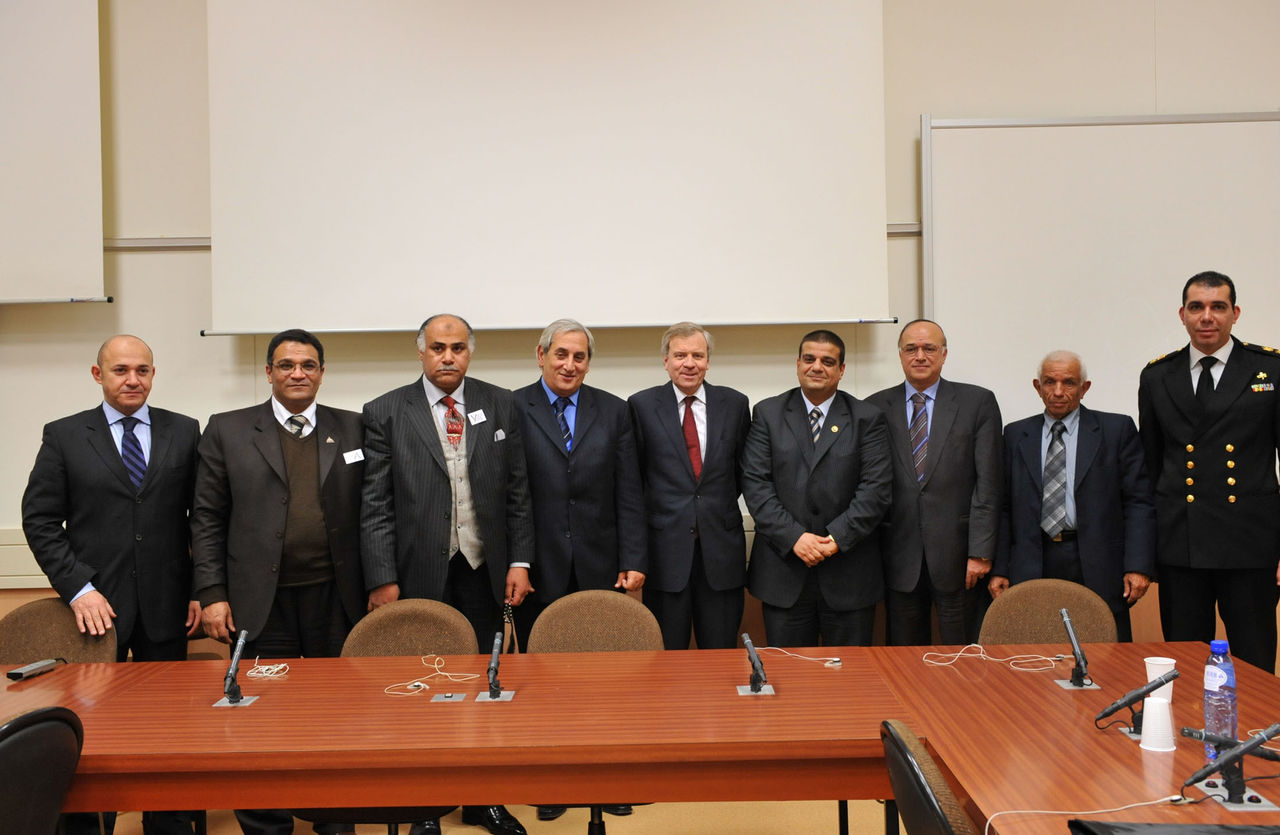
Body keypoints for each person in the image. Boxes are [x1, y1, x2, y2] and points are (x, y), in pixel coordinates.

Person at [22, 334, 201, 835]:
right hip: (95, 611)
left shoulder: (184, 431)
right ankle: (88, 823)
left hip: (167, 606)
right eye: (121, 370)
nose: (133, 380)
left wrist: (198, 588)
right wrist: (78, 588)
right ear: (98, 375)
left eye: (142, 370)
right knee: (92, 728)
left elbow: (199, 519)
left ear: (153, 374)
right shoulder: (64, 435)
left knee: (166, 726)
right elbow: (39, 520)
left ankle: (164, 821)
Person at [360, 313, 533, 835]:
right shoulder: (386, 410)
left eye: (457, 347)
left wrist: (520, 560)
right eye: (438, 347)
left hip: (484, 570)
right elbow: (375, 502)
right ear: (421, 352)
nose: (448, 357)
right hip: (417, 573)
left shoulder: (501, 403)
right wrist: (382, 575)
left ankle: (484, 800)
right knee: (421, 690)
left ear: (470, 352)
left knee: (486, 682)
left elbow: (518, 491)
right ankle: (426, 806)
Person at [191, 329, 366, 835]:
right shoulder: (227, 429)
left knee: (338, 717)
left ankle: (335, 819)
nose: (297, 374)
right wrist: (213, 595)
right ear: (268, 372)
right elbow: (205, 517)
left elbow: (377, 511)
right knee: (261, 720)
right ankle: (268, 825)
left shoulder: (353, 428)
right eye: (286, 365)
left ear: (322, 373)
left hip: (337, 601)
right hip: (257, 603)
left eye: (308, 365)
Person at [1138, 271, 1280, 672]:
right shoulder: (1157, 376)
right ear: (1182, 314)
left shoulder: (1269, 370)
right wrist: (1146, 551)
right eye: (1197, 307)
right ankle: (1189, 735)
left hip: (1250, 545)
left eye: (1218, 307)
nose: (1207, 317)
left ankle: (1257, 735)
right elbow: (1150, 468)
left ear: (1235, 314)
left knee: (1255, 662)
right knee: (1184, 662)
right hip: (1182, 545)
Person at [740, 329, 892, 646]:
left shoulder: (867, 418)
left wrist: (836, 538)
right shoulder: (768, 414)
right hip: (785, 575)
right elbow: (756, 486)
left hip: (849, 574)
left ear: (841, 369)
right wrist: (795, 537)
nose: (817, 366)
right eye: (809, 359)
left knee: (850, 679)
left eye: (827, 361)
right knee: (790, 680)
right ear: (798, 364)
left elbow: (875, 490)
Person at [991, 351, 1156, 641]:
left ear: (1085, 387)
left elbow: (1138, 502)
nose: (1058, 391)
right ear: (1036, 386)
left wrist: (1138, 566)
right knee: (1035, 650)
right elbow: (1004, 507)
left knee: (1106, 656)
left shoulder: (1116, 430)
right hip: (1033, 560)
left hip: (1097, 560)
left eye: (1068, 383)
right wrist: (1000, 568)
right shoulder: (1016, 434)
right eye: (1049, 382)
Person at [867, 319, 1001, 645]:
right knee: (904, 659)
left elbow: (989, 482)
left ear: (944, 355)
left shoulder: (977, 403)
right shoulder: (873, 407)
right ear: (900, 355)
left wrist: (981, 551)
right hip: (898, 556)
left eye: (929, 348)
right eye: (911, 348)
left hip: (959, 558)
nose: (920, 356)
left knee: (962, 656)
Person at [511, 319, 645, 645]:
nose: (569, 366)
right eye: (561, 354)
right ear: (541, 355)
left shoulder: (615, 410)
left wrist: (633, 558)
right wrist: (518, 562)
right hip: (538, 568)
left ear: (588, 363)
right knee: (539, 668)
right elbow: (509, 496)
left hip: (600, 567)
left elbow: (628, 492)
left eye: (579, 357)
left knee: (600, 666)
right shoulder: (511, 407)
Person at [629, 322, 751, 651]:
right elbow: (635, 481)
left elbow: (742, 473)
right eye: (680, 355)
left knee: (721, 654)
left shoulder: (736, 404)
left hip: (721, 554)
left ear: (708, 361)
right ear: (665, 361)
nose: (689, 363)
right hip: (665, 555)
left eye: (698, 355)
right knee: (667, 657)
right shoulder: (640, 406)